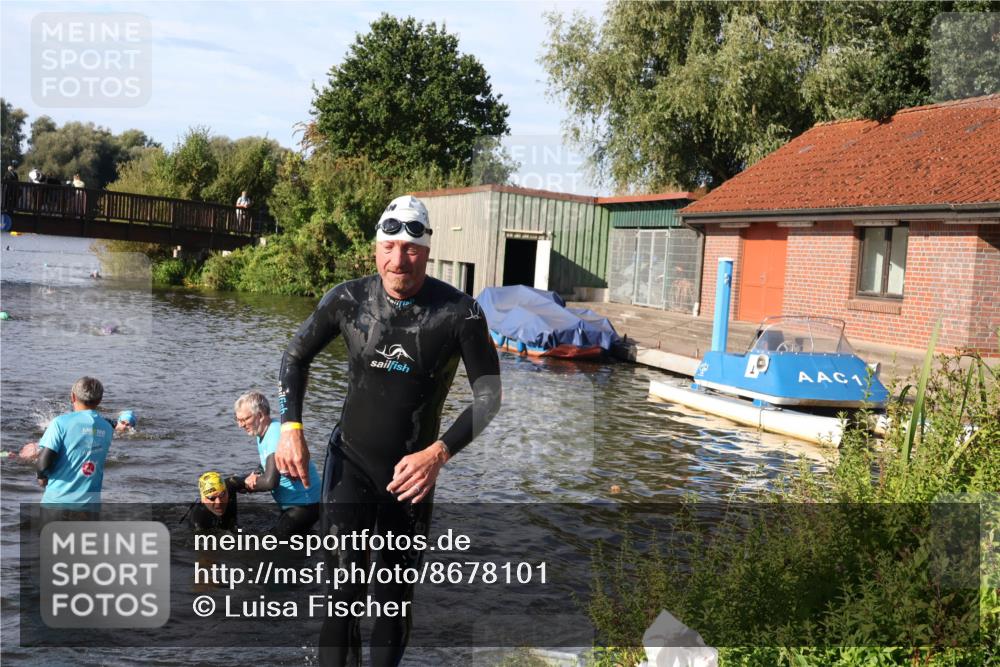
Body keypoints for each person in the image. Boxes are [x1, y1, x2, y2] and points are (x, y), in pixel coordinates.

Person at [276, 194, 502, 666]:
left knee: (394, 598)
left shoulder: (460, 313)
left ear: (428, 250)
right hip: (350, 464)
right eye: (390, 246)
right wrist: (289, 425)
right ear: (376, 248)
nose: (399, 260)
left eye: (411, 249)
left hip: (412, 475)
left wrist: (438, 454)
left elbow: (490, 396)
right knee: (343, 594)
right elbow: (295, 357)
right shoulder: (348, 299)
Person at [234, 391, 321, 539]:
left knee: (271, 544)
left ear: (261, 415)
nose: (241, 425)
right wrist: (255, 474)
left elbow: (270, 482)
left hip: (305, 505)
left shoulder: (274, 433)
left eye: (245, 419)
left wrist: (240, 484)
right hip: (297, 504)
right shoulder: (262, 432)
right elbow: (267, 465)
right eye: (238, 420)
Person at [36, 377, 115, 510]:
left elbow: (43, 463)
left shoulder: (60, 423)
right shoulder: (107, 428)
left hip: (57, 503)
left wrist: (41, 478)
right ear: (100, 400)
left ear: (72, 396)